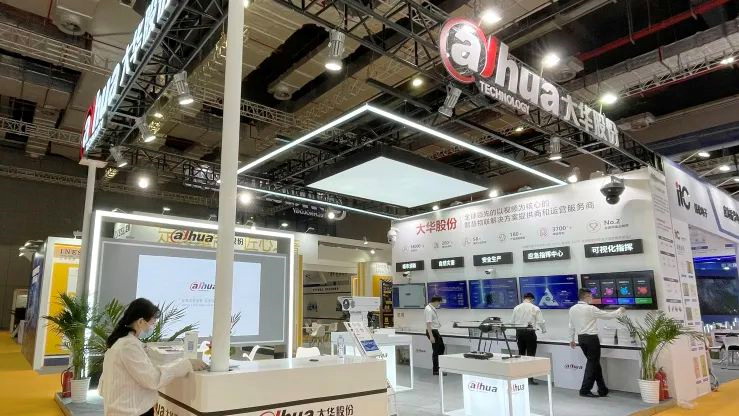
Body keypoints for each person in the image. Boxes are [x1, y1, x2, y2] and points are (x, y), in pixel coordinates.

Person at [100, 298, 207, 416]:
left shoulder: (122, 342)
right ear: (141, 322)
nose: (153, 327)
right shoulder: (129, 346)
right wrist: (186, 364)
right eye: (152, 323)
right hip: (131, 411)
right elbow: (153, 379)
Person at [569, 288, 625, 398]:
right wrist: (620, 310)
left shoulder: (572, 309)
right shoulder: (591, 309)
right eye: (591, 296)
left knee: (594, 364)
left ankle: (602, 389)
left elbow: (571, 325)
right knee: (592, 364)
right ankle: (585, 390)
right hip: (591, 339)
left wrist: (571, 339)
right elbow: (608, 316)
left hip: (581, 339)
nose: (592, 298)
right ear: (586, 297)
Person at [511, 292, 546, 384]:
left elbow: (512, 322)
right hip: (530, 333)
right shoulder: (535, 308)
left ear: (524, 298)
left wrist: (518, 330)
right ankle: (530, 378)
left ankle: (521, 377)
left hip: (519, 332)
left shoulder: (516, 308)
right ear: (532, 299)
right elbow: (541, 321)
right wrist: (544, 330)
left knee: (521, 354)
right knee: (530, 356)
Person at [425, 296, 445, 376]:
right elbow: (428, 324)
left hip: (435, 331)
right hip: (432, 332)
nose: (439, 304)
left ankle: (439, 368)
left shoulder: (432, 308)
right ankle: (436, 370)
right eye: (439, 303)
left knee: (441, 348)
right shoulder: (429, 310)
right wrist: (431, 336)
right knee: (436, 351)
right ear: (436, 301)